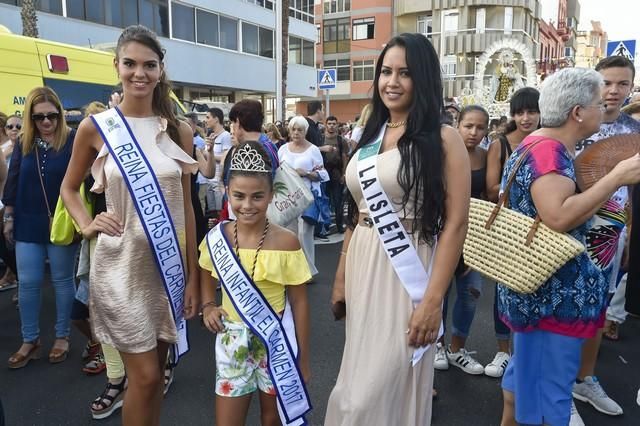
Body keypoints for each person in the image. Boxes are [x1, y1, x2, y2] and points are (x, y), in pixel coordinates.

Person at [325, 33, 470, 425]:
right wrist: (340, 277)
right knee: (356, 378)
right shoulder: (370, 136)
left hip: (409, 271)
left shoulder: (444, 138)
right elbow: (358, 215)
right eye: (385, 72)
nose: (392, 81)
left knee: (376, 391)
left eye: (404, 73)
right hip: (363, 264)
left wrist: (432, 302)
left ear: (423, 78)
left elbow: (456, 223)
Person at [60, 25, 200, 426]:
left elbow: (188, 208)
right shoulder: (97, 127)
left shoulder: (179, 130)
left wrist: (190, 276)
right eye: (130, 64)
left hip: (165, 267)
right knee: (145, 375)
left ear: (160, 69)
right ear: (116, 66)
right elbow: (70, 189)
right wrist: (87, 224)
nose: (139, 73)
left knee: (156, 380)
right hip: (120, 267)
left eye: (149, 65)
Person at [497, 67, 640, 426]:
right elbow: (558, 216)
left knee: (524, 384)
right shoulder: (549, 152)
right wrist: (617, 177)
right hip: (553, 298)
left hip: (538, 291)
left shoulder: (538, 144)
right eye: (596, 103)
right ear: (577, 112)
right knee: (550, 398)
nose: (603, 107)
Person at [199, 140, 311, 426]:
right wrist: (209, 305)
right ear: (226, 193)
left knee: (273, 418)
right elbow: (205, 271)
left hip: (275, 340)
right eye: (238, 196)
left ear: (272, 195)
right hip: (231, 339)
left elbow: (299, 302)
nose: (247, 205)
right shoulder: (216, 237)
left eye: (257, 196)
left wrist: (304, 357)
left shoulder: (287, 241)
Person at [569, 55, 640, 424]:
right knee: (564, 308)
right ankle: (558, 385)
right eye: (606, 83)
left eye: (621, 84)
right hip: (571, 225)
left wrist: (628, 234)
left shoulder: (634, 131)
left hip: (613, 236)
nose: (613, 91)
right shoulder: (575, 123)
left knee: (597, 310)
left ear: (631, 86)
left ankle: (585, 378)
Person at [3, 87, 78, 369]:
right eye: (39, 118)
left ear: (60, 114)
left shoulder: (72, 140)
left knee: (61, 280)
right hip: (27, 220)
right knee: (28, 282)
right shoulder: (24, 142)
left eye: (52, 116)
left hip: (60, 222)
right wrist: (8, 216)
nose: (46, 122)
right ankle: (30, 339)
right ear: (30, 119)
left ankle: (62, 336)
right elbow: (13, 180)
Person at [483, 87, 540, 378]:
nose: (526, 118)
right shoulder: (501, 144)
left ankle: (525, 352)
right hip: (508, 227)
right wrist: (533, 191)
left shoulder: (547, 141)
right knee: (504, 290)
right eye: (520, 112)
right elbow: (492, 188)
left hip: (542, 230)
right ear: (512, 114)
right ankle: (502, 350)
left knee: (535, 289)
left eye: (532, 111)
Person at [434, 105, 488, 376]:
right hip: (442, 236)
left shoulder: (487, 157)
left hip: (475, 239)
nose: (474, 132)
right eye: (468, 126)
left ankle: (457, 349)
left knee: (470, 296)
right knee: (438, 295)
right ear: (458, 125)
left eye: (480, 127)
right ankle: (437, 345)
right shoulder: (441, 155)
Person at [278, 116, 328, 278]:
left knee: (304, 234)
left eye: (300, 129)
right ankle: (292, 270)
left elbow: (323, 174)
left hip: (307, 197)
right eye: (293, 129)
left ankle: (308, 271)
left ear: (305, 131)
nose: (296, 132)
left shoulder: (313, 150)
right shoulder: (283, 149)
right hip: (288, 197)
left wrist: (305, 173)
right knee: (289, 234)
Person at [320, 115, 348, 234]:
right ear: (326, 125)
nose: (331, 125)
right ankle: (325, 226)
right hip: (323, 173)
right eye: (329, 123)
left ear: (337, 125)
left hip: (336, 173)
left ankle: (339, 224)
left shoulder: (341, 140)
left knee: (338, 202)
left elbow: (345, 157)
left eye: (334, 123)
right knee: (324, 201)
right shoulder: (320, 139)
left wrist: (344, 174)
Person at [0, 114, 19, 292]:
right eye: (10, 126)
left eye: (18, 126)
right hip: (4, 202)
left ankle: (18, 279)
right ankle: (13, 275)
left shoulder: (27, 148)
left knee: (11, 244)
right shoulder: (3, 148)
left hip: (17, 202)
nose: (14, 129)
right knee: (6, 244)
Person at [204, 107, 232, 220]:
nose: (205, 120)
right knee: (211, 215)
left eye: (208, 117)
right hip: (209, 181)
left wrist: (207, 154)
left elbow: (226, 158)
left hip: (218, 182)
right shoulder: (211, 136)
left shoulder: (226, 136)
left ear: (216, 119)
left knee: (220, 215)